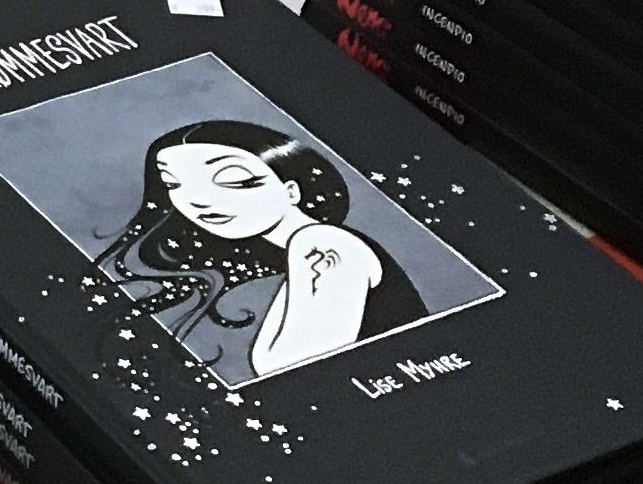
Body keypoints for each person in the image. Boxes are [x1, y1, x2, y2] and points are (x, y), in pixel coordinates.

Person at [94, 117, 428, 380]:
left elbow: (297, 367)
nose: (198, 200)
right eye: (174, 184)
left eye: (232, 180)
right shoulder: (301, 251)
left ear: (292, 190)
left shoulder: (322, 243)